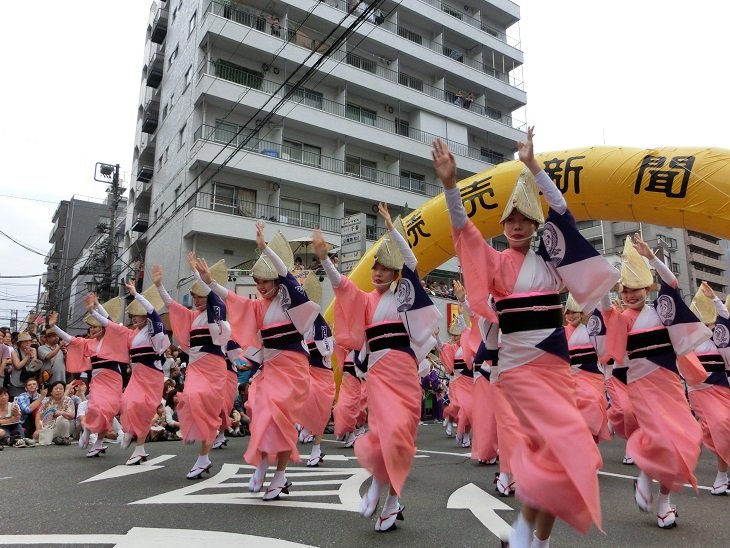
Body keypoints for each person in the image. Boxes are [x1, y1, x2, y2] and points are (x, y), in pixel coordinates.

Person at [433, 127, 619, 546]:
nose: (516, 226)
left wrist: (533, 166)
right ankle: (524, 535)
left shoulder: (552, 263)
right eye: (510, 220)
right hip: (517, 370)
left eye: (524, 219)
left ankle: (535, 539)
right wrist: (449, 185)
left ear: (535, 224)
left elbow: (562, 210)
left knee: (557, 457)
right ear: (502, 225)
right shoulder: (497, 263)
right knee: (555, 451)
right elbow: (463, 229)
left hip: (556, 368)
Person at [312, 202, 440, 532]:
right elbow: (342, 286)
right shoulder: (368, 301)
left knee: (400, 438)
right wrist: (326, 259)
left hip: (405, 375)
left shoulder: (405, 295)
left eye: (384, 268)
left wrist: (392, 230)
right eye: (375, 268)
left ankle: (392, 500)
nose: (377, 273)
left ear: (396, 273)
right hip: (380, 378)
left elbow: (412, 262)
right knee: (384, 435)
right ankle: (381, 491)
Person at [197, 223, 318, 500]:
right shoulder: (258, 307)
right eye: (257, 282)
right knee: (260, 412)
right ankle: (265, 463)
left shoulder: (293, 304)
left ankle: (279, 473)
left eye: (265, 281)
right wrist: (210, 283)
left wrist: (264, 248)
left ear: (277, 281)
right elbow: (234, 300)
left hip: (293, 368)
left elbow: (287, 275)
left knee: (281, 419)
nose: (260, 287)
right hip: (271, 367)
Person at [602, 234, 708, 529]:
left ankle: (661, 496)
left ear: (647, 288)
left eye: (636, 289)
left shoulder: (661, 311)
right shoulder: (621, 319)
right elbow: (604, 313)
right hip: (641, 388)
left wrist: (651, 257)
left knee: (686, 441)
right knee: (662, 439)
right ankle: (654, 489)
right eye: (625, 291)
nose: (631, 295)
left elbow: (672, 284)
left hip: (670, 385)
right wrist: (601, 282)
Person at [154, 255, 231, 479]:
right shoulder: (192, 316)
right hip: (196, 366)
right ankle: (204, 453)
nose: (197, 300)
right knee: (189, 400)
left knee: (205, 406)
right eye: (195, 296)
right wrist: (159, 286)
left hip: (214, 366)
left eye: (201, 296)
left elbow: (214, 296)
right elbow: (171, 305)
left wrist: (200, 276)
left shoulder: (216, 312)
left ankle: (203, 457)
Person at [49, 295, 129, 458]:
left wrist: (97, 306)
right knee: (97, 407)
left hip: (114, 378)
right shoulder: (88, 343)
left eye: (96, 327)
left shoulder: (112, 340)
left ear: (103, 328)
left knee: (109, 411)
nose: (92, 330)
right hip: (98, 380)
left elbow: (110, 323)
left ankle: (98, 443)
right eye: (90, 327)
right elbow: (70, 339)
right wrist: (54, 327)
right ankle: (87, 431)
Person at [681, 282, 730, 496]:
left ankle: (722, 476)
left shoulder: (718, 339)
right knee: (720, 425)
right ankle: (721, 476)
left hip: (721, 389)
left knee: (720, 430)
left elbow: (726, 322)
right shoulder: (687, 341)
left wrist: (716, 301)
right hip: (698, 391)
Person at [118, 282, 171, 465]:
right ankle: (129, 432)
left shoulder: (153, 331)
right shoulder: (134, 334)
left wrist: (136, 294)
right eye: (132, 315)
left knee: (143, 408)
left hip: (150, 375)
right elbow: (110, 325)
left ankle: (139, 448)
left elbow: (154, 314)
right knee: (126, 403)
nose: (134, 318)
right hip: (136, 375)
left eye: (138, 314)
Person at [295, 273, 336, 468]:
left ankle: (316, 448)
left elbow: (327, 350)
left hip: (322, 373)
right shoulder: (301, 324)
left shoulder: (321, 325)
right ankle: (303, 426)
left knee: (319, 408)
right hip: (305, 370)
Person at [564, 294, 611, 444]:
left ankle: (589, 438)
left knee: (592, 402)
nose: (571, 316)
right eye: (568, 312)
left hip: (591, 377)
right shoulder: (561, 332)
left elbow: (603, 347)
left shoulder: (591, 331)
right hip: (569, 379)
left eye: (574, 312)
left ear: (582, 313)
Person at [34, 381, 75, 445]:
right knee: (36, 436)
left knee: (62, 419)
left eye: (61, 389)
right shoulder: (47, 400)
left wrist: (61, 413)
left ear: (64, 391)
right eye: (56, 389)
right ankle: (56, 438)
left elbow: (72, 415)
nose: (58, 390)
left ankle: (64, 438)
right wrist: (37, 429)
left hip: (67, 425)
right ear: (51, 392)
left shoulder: (68, 400)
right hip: (50, 425)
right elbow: (38, 414)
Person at [15, 376, 45, 440]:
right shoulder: (21, 397)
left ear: (37, 387)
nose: (32, 386)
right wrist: (41, 398)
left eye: (34, 384)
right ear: (26, 388)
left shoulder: (42, 397)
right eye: (29, 385)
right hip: (24, 423)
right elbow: (27, 410)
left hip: (39, 422)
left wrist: (41, 397)